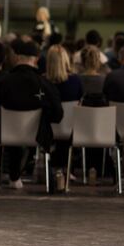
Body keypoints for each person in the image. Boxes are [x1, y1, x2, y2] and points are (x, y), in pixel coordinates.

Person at [0, 38, 63, 189]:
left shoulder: (4, 82)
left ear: (17, 57)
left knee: (13, 132)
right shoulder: (45, 84)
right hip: (38, 137)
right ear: (37, 59)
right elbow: (58, 115)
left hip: (7, 136)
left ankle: (13, 175)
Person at [43, 45, 83, 181]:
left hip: (47, 131)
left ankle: (49, 166)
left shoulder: (42, 82)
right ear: (66, 60)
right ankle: (66, 168)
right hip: (71, 130)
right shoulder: (76, 81)